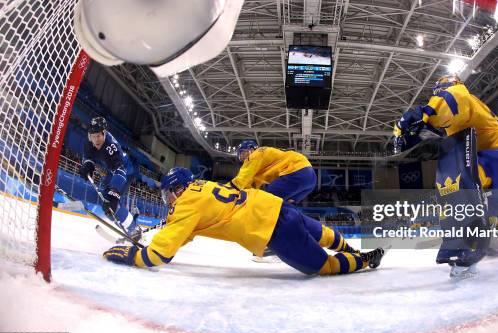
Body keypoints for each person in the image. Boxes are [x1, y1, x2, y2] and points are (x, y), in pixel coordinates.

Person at [102, 167, 385, 275]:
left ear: (177, 190)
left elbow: (159, 255)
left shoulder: (185, 204)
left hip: (272, 230)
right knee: (322, 233)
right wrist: (168, 238)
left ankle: (363, 261)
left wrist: (132, 257)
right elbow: (184, 234)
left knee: (323, 267)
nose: (168, 202)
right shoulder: (202, 186)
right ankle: (355, 250)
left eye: (168, 196)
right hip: (274, 206)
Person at [393, 75, 498, 277]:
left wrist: (423, 115)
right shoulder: (459, 123)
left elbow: (451, 99)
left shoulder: (462, 96)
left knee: (459, 178)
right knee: (473, 195)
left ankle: (466, 248)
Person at [79, 116, 140, 238]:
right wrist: (87, 165)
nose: (96, 140)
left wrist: (114, 193)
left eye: (98, 136)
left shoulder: (110, 147)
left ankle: (134, 230)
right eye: (93, 136)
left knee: (110, 203)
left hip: (126, 173)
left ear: (104, 133)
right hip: (111, 172)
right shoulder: (89, 141)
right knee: (107, 205)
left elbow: (121, 171)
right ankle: (127, 225)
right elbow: (88, 156)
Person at [231, 140, 317, 204]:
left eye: (243, 153)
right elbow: (251, 186)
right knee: (284, 204)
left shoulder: (256, 154)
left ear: (252, 149)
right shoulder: (260, 168)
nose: (243, 158)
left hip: (295, 171)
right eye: (240, 156)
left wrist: (230, 190)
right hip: (311, 179)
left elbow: (242, 178)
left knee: (265, 200)